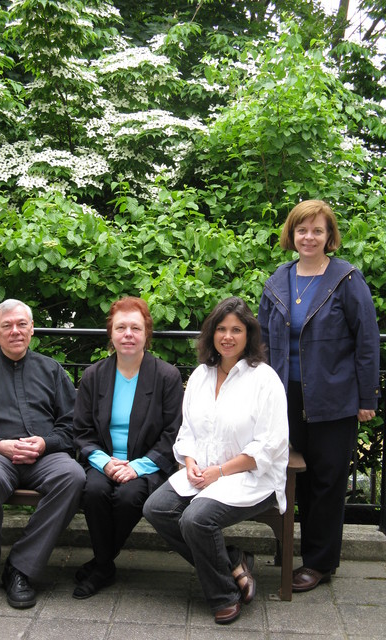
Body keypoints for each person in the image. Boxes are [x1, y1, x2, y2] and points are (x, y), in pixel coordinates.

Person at [258, 199, 380, 593]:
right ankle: (291, 552)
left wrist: (367, 398)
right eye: (301, 230)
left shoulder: (346, 279)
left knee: (327, 481)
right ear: (291, 235)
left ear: (330, 237)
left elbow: (366, 342)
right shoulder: (278, 278)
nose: (308, 237)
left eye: (317, 230)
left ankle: (319, 563)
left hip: (333, 397)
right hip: (284, 398)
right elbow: (260, 340)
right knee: (292, 478)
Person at [143, 297, 289, 625]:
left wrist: (219, 472)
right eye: (221, 329)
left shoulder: (265, 380)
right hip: (203, 471)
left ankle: (223, 593)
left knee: (195, 520)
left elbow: (270, 444)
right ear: (211, 334)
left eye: (236, 329)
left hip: (249, 476)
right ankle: (234, 561)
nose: (227, 336)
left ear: (248, 335)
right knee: (156, 508)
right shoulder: (201, 376)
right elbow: (189, 430)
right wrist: (191, 462)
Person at [0, 299, 86, 610]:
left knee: (73, 476)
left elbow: (72, 423)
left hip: (44, 456)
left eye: (22, 324)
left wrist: (44, 443)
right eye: (7, 326)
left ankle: (20, 567)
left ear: (32, 329)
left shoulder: (51, 370)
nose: (15, 331)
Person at [72, 296, 184, 599]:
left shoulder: (166, 377)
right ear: (111, 333)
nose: (128, 334)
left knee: (129, 496)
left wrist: (136, 467)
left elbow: (172, 433)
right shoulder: (94, 375)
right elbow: (81, 430)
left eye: (135, 327)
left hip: (146, 465)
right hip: (103, 461)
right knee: (93, 492)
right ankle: (105, 566)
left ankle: (101, 565)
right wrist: (105, 463)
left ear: (146, 332)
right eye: (121, 327)